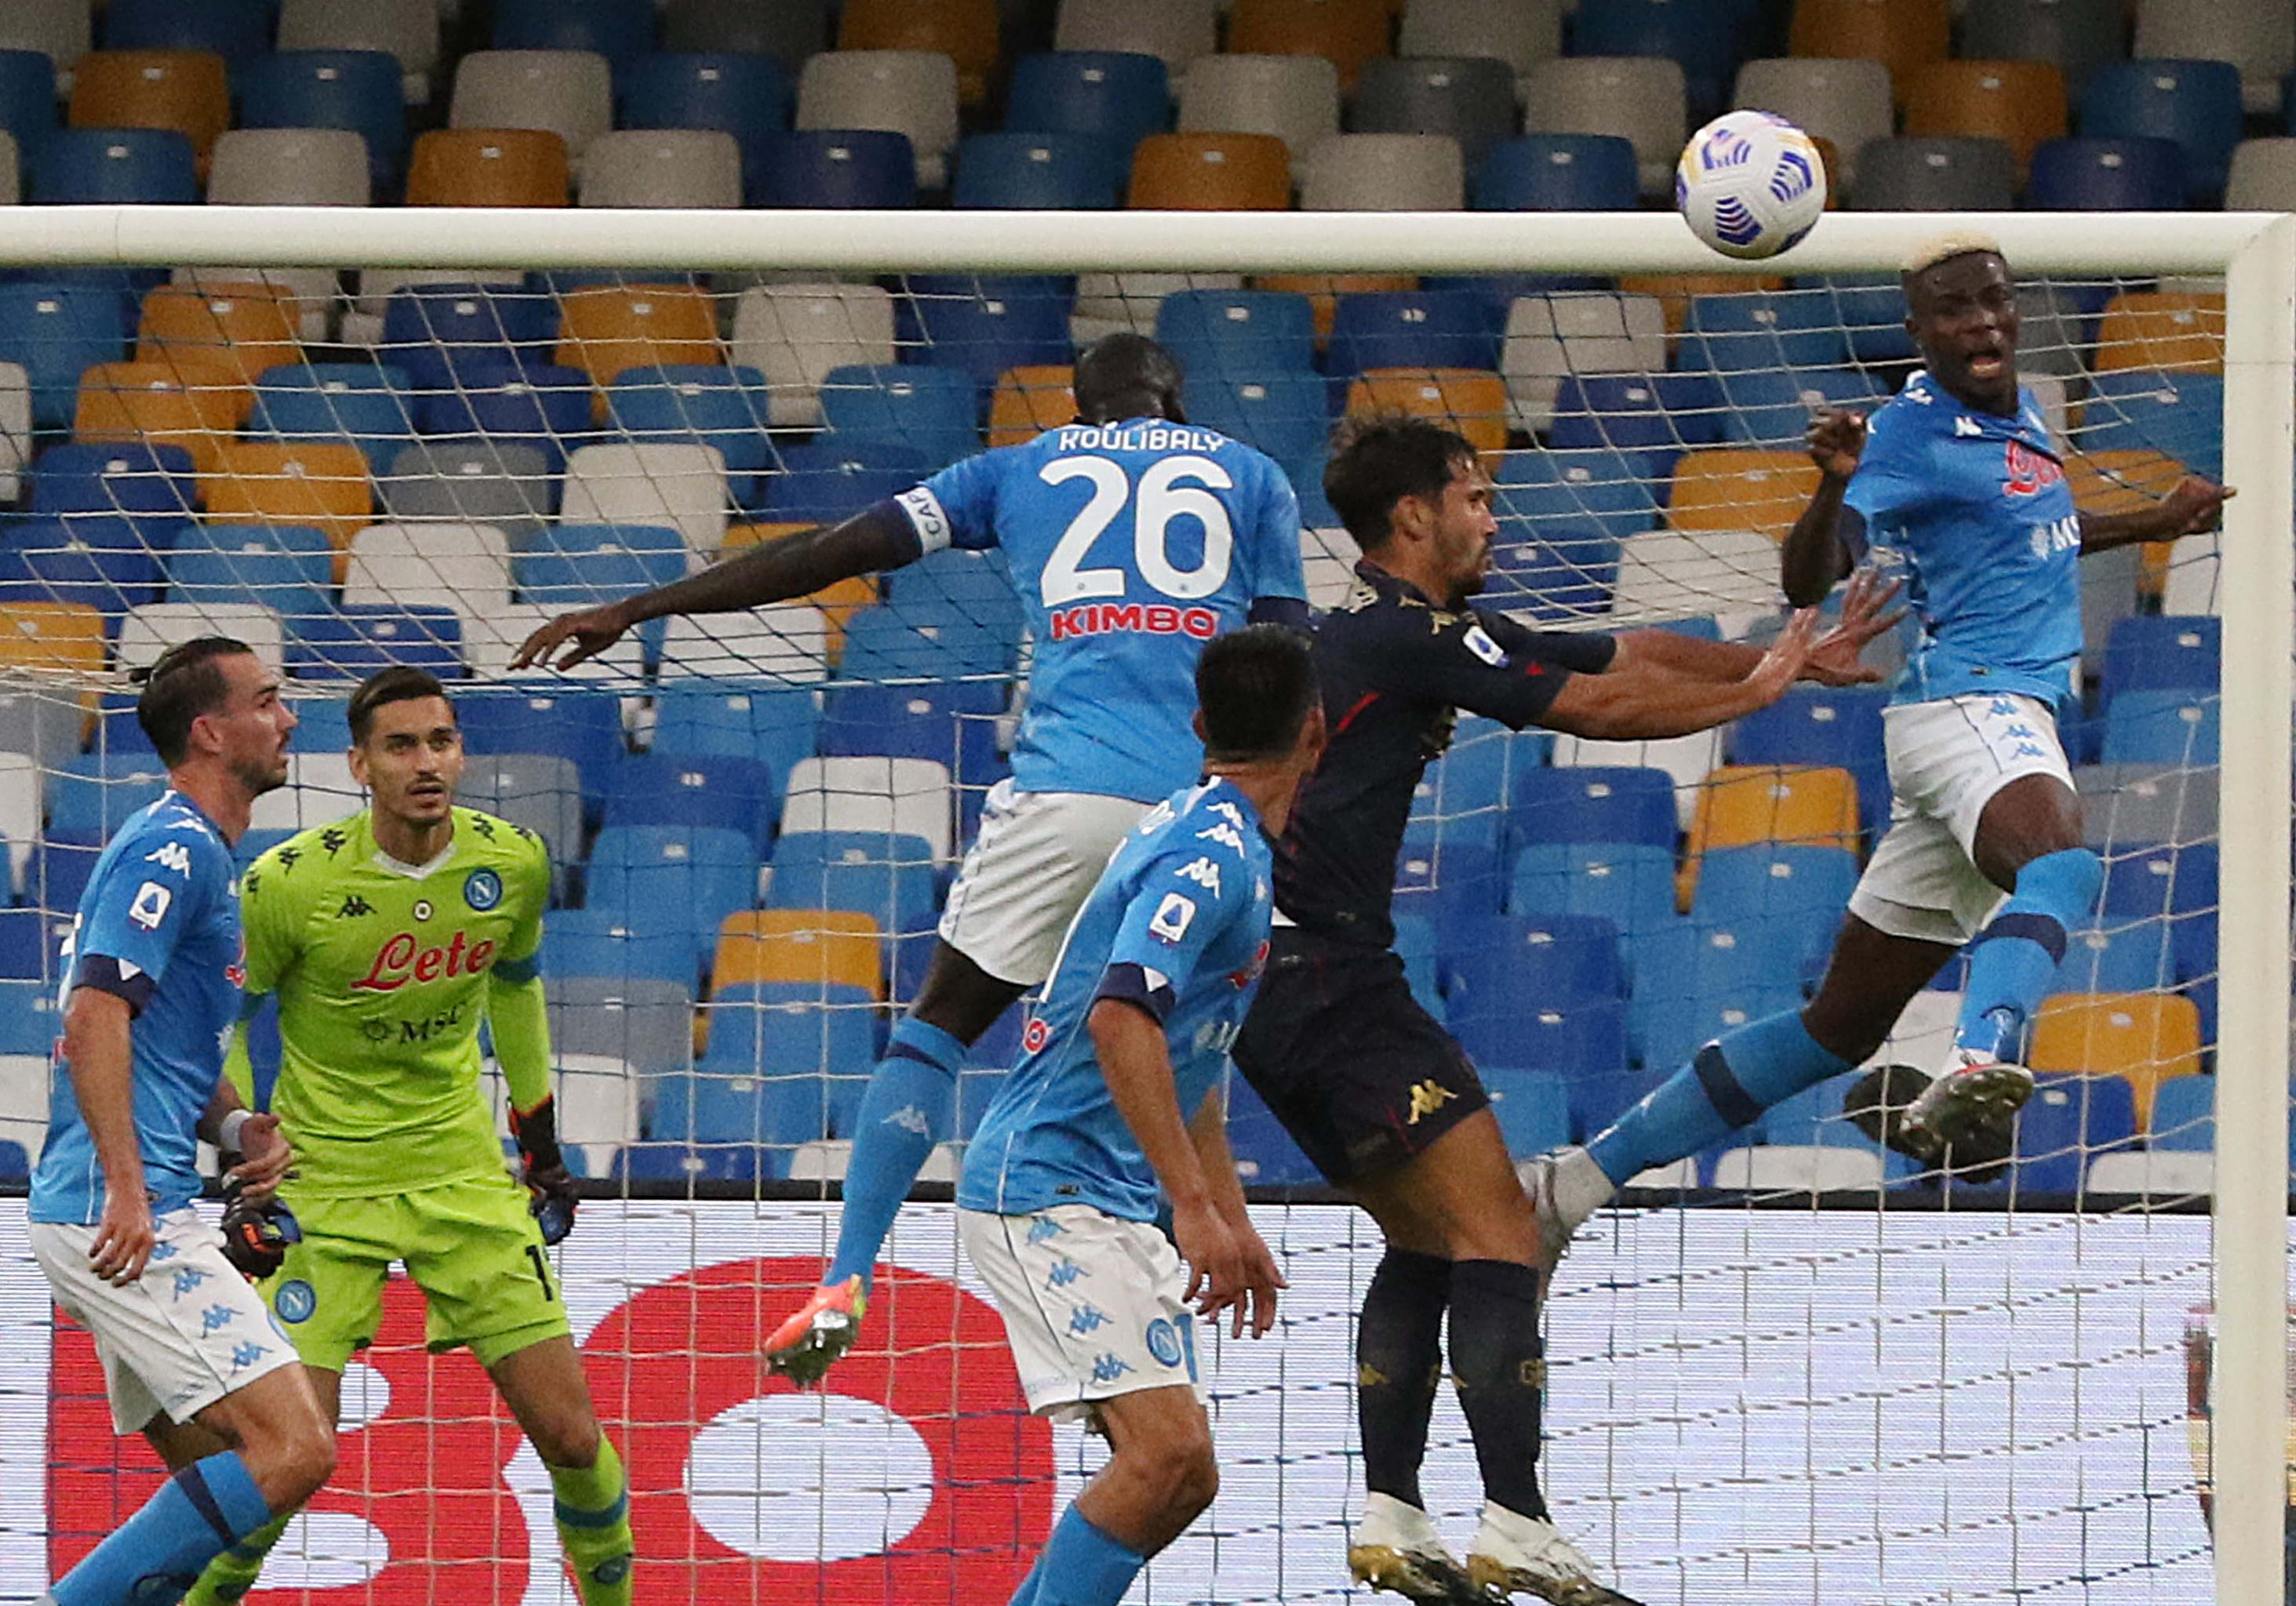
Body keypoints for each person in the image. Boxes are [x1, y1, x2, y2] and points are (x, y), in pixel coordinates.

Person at [513, 333, 1308, 1384]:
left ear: (1077, 406)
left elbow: (833, 551)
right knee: (1163, 1020)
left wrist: (644, 606)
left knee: (939, 1024)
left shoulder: (1021, 467)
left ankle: (847, 1274)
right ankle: (1167, 1235)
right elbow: (1293, 660)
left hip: (1064, 796)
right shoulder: (1252, 475)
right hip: (1199, 804)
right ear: (1178, 395)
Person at [1235, 418, 1901, 1606]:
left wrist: (1770, 653)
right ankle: (1518, 1523)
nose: (1493, 516)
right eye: (1474, 497)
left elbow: (1616, 649)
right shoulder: (1407, 635)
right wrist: (1763, 688)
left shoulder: (1405, 630)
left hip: (1272, 989)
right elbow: (1595, 714)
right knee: (1503, 1229)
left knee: (1425, 1237)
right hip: (1334, 979)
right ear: (1413, 518)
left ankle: (1391, 1513)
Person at [1523, 231, 2232, 1251]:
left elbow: (2039, 529)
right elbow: (1808, 577)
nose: (1980, 321)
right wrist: (1831, 482)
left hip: (1981, 724)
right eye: (1953, 309)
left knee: (1838, 1029)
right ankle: (1983, 1057)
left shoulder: (2022, 414)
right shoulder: (1904, 436)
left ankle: (1576, 1182)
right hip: (1968, 708)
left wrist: (2153, 521)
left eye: (1992, 300)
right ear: (1920, 330)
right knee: (2065, 866)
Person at [182, 667, 634, 1606]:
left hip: (461, 1177)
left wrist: (539, 1144)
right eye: (401, 745)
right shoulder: (287, 882)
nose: (427, 762)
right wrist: (245, 1158)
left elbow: (514, 991)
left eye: (441, 741)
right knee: (280, 1466)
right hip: (322, 1187)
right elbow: (227, 1016)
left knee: (575, 1439)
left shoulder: (511, 861)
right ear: (358, 763)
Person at [957, 624, 1316, 1606]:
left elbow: (1187, 1059)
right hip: (1042, 1184)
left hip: (1102, 1192)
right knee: (1163, 1455)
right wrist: (1193, 1208)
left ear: (1200, 725)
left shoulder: (1209, 832)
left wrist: (1228, 1214)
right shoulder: (1209, 854)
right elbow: (1123, 1017)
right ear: (1316, 736)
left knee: (1185, 1472)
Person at [29, 637, 336, 1606]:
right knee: (293, 1450)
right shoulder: (173, 846)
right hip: (126, 1212)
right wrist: (128, 1188)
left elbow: (153, 1033)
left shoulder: (203, 855)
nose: (288, 718)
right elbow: (93, 1014)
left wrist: (238, 1125)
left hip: (130, 1201)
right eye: (269, 700)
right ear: (212, 730)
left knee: (228, 1471)